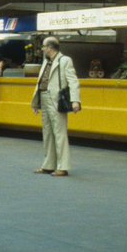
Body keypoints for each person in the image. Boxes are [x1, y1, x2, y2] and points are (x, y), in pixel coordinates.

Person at [30, 36, 81, 176]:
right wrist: (36, 102)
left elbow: (73, 81)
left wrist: (75, 100)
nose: (42, 50)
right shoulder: (46, 62)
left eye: (43, 47)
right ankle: (48, 165)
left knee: (59, 133)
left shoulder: (65, 60)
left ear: (50, 48)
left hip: (56, 100)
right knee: (47, 133)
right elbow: (40, 83)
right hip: (45, 98)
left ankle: (63, 166)